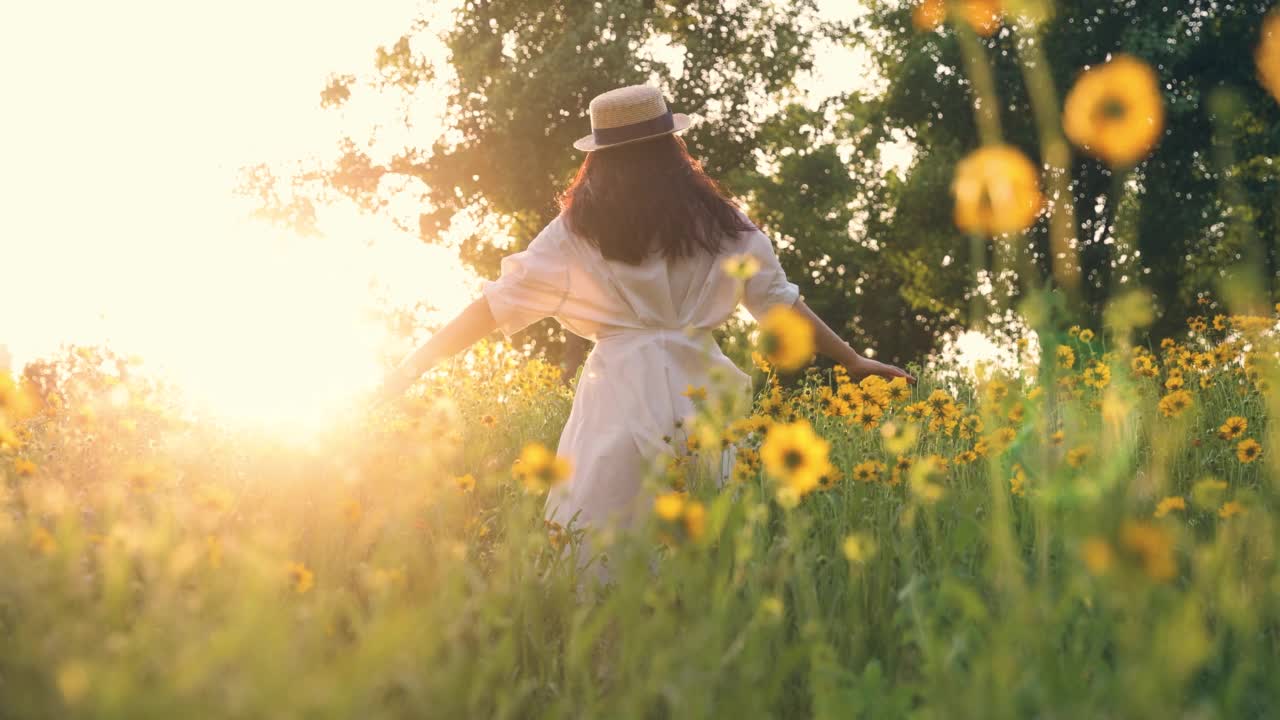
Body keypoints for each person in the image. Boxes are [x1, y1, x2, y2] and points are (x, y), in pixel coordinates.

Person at [377, 84, 913, 540]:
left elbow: (491, 308)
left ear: (599, 158)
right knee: (709, 541)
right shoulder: (720, 223)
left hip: (616, 397)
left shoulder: (576, 231)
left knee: (605, 542)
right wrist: (853, 360)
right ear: (672, 149)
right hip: (702, 394)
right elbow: (779, 305)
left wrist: (410, 369)